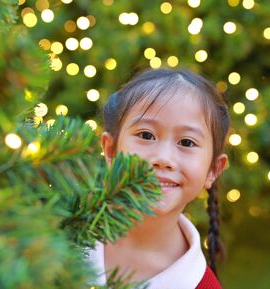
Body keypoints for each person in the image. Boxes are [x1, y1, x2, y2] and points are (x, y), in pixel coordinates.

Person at [87, 68, 230, 289]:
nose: (163, 159)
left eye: (187, 142)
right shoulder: (56, 234)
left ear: (213, 169)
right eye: (146, 135)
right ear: (111, 150)